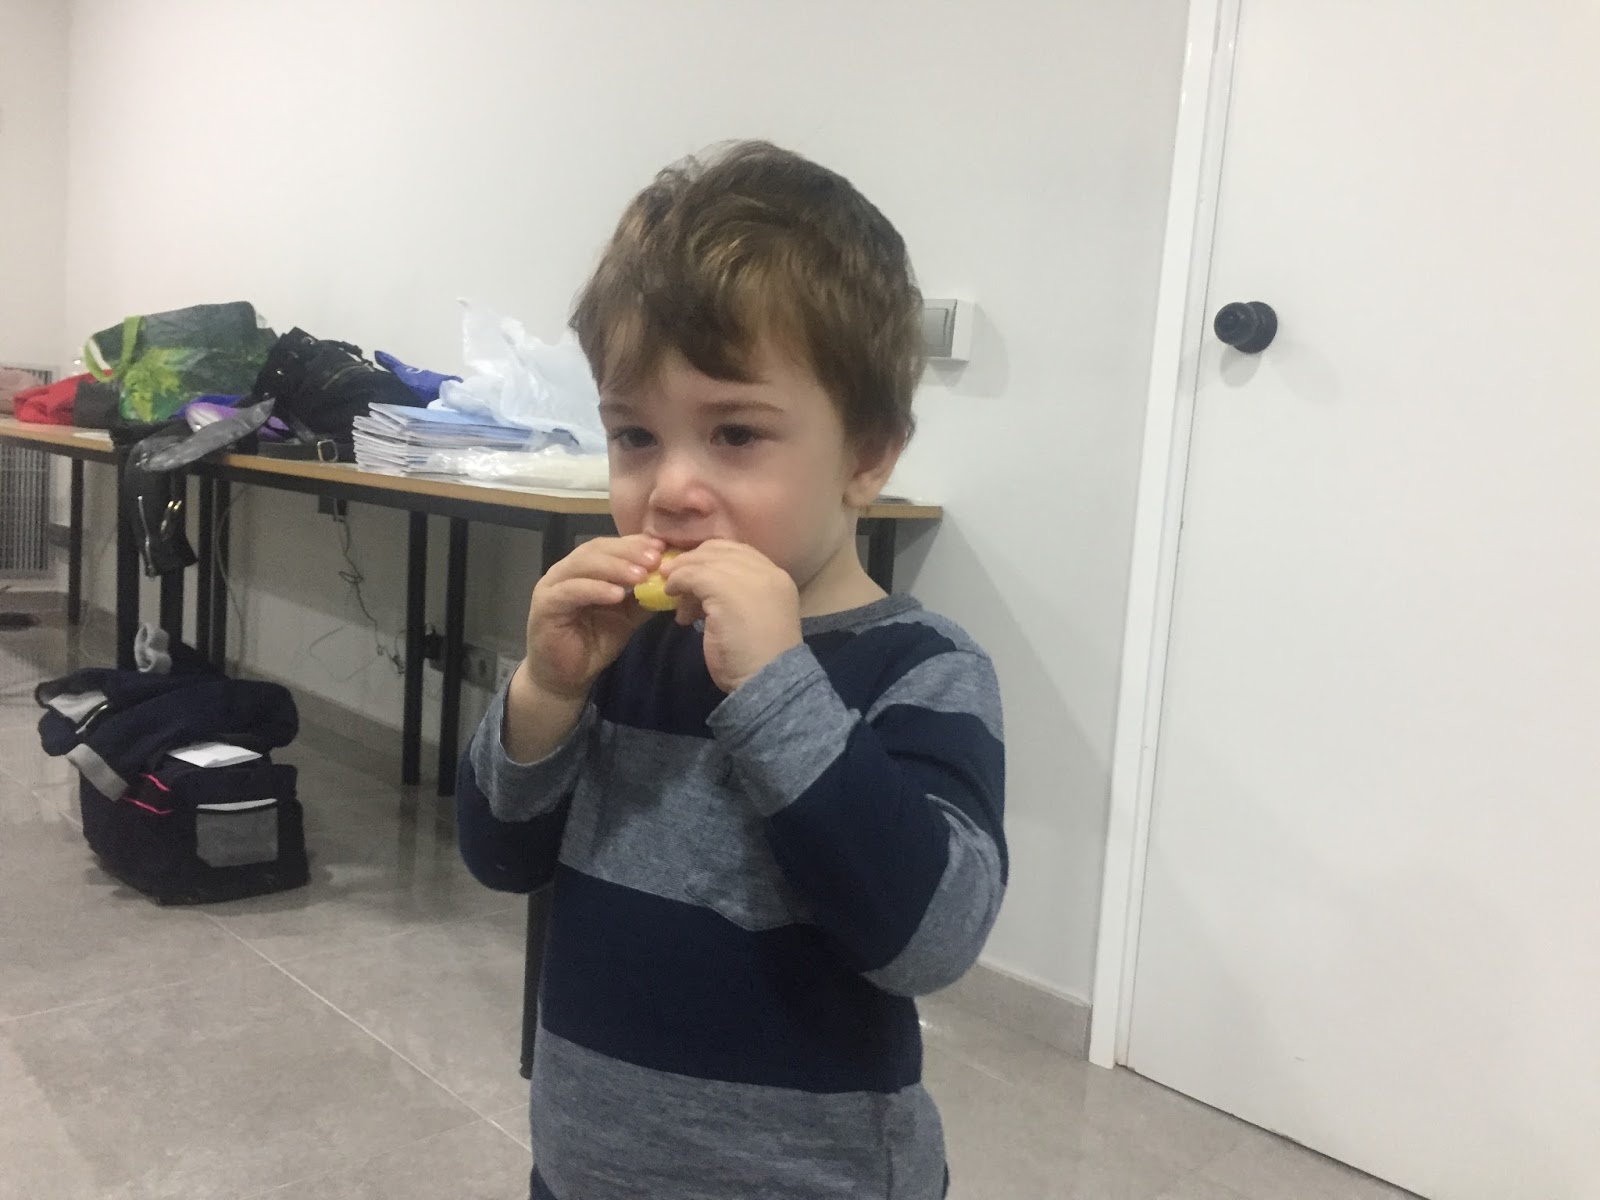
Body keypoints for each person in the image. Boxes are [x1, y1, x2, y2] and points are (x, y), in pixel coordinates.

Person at [458, 140, 1007, 1200]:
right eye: (634, 434)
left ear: (866, 456)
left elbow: (929, 941)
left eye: (736, 433)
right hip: (586, 1171)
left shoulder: (922, 669)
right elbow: (499, 857)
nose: (670, 488)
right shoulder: (628, 650)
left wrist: (778, 687)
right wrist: (547, 693)